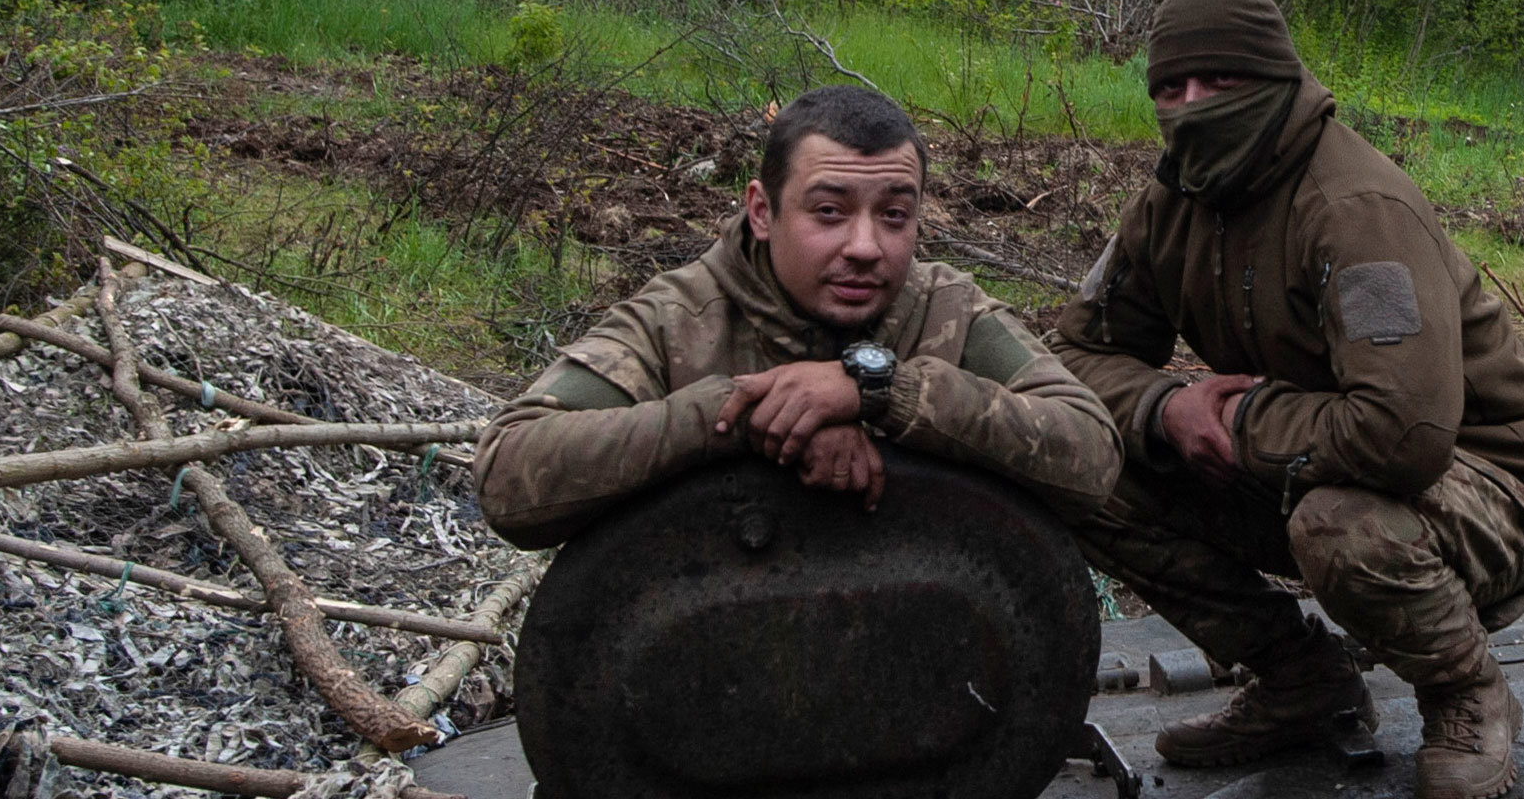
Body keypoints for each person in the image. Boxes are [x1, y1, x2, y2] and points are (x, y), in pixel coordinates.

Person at [1052, 0, 1524, 799]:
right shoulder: (1171, 203)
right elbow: (1079, 355)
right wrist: (1169, 409)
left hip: (1497, 486)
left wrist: (1237, 420)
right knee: (1075, 463)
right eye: (1169, 87)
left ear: (1273, 80)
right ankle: (1302, 680)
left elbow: (1403, 433)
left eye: (1218, 82)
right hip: (1307, 458)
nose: (1189, 106)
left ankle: (1467, 689)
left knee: (1342, 525)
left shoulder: (1356, 209)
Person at [476, 85, 1119, 544]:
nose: (865, 248)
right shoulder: (680, 317)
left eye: (894, 215)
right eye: (829, 212)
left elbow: (1091, 454)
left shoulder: (946, 307)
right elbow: (509, 471)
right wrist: (743, 414)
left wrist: (884, 393)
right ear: (762, 210)